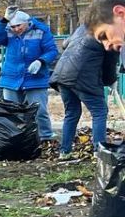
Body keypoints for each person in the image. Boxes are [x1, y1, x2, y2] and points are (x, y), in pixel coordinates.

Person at [0, 8, 58, 143]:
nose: (16, 29)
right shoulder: (8, 32)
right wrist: (4, 20)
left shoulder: (41, 31)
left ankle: (46, 137)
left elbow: (52, 51)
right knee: (12, 112)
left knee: (39, 111)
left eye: (18, 26)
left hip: (35, 78)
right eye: (13, 26)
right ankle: (16, 139)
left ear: (27, 22)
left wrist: (41, 61)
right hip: (11, 79)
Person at [50, 24, 117, 160]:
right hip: (82, 76)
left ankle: (65, 152)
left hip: (62, 75)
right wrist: (111, 80)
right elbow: (110, 61)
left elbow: (66, 43)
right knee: (99, 111)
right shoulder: (112, 32)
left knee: (72, 113)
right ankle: (99, 153)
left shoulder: (84, 27)